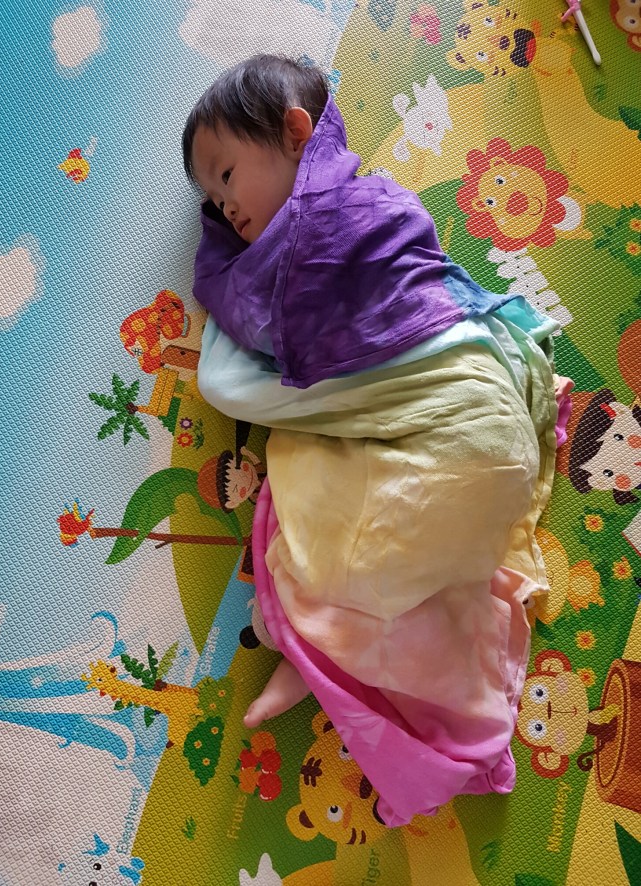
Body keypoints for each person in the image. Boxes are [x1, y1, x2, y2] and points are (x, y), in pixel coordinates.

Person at [182, 54, 573, 825]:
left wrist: (232, 269)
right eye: (212, 200)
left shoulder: (334, 219)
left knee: (298, 502)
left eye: (226, 177)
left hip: (461, 413)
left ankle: (314, 648)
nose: (224, 208)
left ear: (296, 132)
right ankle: (327, 650)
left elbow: (269, 314)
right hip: (468, 421)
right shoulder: (337, 214)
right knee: (339, 499)